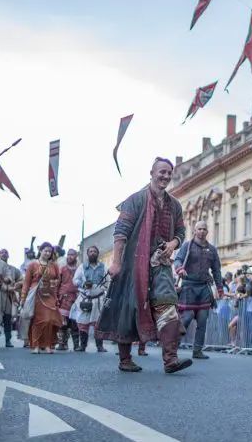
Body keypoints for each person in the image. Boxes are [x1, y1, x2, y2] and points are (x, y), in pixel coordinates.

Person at [97, 157, 192, 374]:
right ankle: (125, 359)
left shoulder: (174, 205)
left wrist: (173, 243)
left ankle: (171, 359)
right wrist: (117, 263)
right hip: (133, 265)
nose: (166, 176)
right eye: (162, 172)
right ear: (151, 172)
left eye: (169, 173)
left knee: (167, 304)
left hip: (160, 265)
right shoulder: (135, 200)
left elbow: (180, 232)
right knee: (129, 307)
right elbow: (120, 233)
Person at [174, 220, 224, 360]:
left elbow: (216, 270)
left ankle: (197, 350)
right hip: (188, 287)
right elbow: (178, 260)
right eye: (199, 229)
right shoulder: (186, 246)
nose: (202, 231)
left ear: (207, 231)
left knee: (202, 320)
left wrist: (219, 288)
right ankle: (172, 349)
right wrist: (180, 269)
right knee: (187, 318)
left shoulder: (212, 250)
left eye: (204, 229)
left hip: (204, 288)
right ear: (194, 231)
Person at [21, 242, 63, 354]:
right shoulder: (32, 265)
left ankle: (48, 345)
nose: (48, 253)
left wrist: (54, 284)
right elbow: (26, 282)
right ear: (40, 251)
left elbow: (58, 280)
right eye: (46, 251)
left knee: (49, 320)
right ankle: (36, 346)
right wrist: (23, 297)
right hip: (36, 294)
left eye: (50, 251)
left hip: (50, 295)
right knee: (38, 320)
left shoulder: (54, 265)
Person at [71, 245, 107, 352]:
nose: (92, 253)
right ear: (87, 254)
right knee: (83, 322)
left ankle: (100, 346)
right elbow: (75, 280)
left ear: (97, 253)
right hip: (85, 299)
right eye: (90, 251)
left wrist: (103, 288)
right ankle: (83, 346)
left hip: (99, 299)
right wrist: (83, 284)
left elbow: (108, 280)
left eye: (94, 251)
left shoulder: (103, 267)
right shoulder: (82, 267)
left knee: (98, 323)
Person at [56, 249, 80, 351]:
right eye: (68, 255)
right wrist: (56, 296)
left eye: (72, 255)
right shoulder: (62, 269)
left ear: (76, 256)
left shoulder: (80, 269)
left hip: (76, 298)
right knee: (62, 323)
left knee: (74, 323)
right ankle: (62, 344)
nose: (70, 257)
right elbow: (58, 283)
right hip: (63, 298)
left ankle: (76, 345)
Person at [0, 249, 20, 347]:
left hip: (9, 297)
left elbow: (22, 279)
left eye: (6, 252)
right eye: (2, 252)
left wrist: (16, 286)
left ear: (8, 255)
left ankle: (8, 340)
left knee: (7, 319)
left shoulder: (13, 269)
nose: (4, 254)